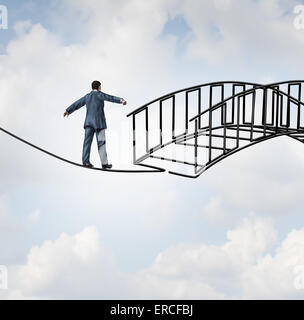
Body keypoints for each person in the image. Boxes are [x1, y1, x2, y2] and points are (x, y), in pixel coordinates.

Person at [64, 80, 127, 169]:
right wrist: (121, 100)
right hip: (99, 123)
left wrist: (68, 111)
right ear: (99, 87)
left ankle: (85, 161)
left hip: (89, 123)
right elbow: (111, 98)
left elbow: (77, 103)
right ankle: (104, 163)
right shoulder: (100, 94)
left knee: (87, 142)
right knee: (101, 143)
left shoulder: (87, 96)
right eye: (100, 87)